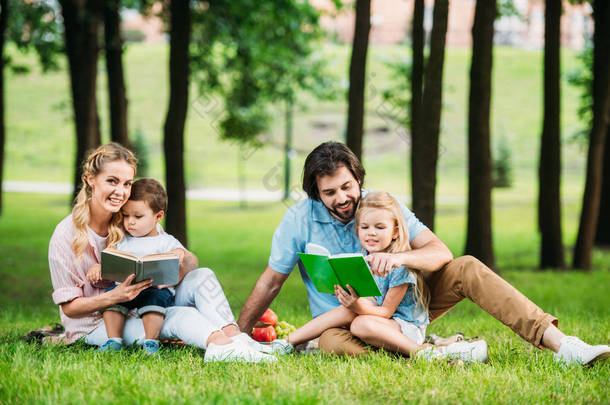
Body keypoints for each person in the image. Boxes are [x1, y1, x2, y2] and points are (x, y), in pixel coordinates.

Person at [238, 141, 610, 365]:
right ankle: (434, 352)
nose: (342, 199)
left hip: (403, 307)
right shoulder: (298, 220)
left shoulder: (383, 207)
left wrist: (399, 258)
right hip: (344, 322)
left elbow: (439, 252)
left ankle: (564, 346)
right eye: (329, 192)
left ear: (358, 179)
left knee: (467, 267)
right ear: (316, 192)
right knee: (337, 344)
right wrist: (241, 335)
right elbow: (271, 281)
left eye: (347, 187)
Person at [49, 143, 274, 362]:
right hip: (98, 325)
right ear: (90, 180)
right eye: (112, 181)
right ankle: (222, 347)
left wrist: (180, 260)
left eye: (127, 184)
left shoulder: (131, 219)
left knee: (202, 275)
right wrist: (114, 296)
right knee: (180, 317)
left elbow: (189, 264)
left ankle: (236, 339)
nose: (120, 192)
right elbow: (70, 308)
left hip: (144, 304)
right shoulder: (66, 234)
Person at [273, 192, 487, 362]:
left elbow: (384, 312)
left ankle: (422, 352)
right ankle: (287, 342)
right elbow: (370, 303)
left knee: (359, 324)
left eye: (379, 227)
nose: (371, 233)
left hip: (405, 328)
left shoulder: (398, 265)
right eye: (365, 227)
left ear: (394, 231)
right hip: (381, 323)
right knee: (347, 313)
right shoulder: (363, 259)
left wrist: (357, 306)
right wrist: (350, 298)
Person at [86, 179, 184, 354]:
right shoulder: (122, 239)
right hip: (125, 289)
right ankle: (114, 340)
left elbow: (181, 258)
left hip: (154, 289)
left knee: (154, 299)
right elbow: (111, 260)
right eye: (125, 215)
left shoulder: (166, 241)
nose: (130, 222)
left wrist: (177, 255)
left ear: (158, 216)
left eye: (138, 217)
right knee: (111, 297)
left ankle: (151, 342)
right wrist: (98, 267)